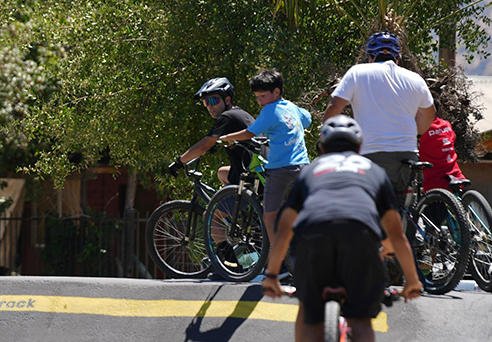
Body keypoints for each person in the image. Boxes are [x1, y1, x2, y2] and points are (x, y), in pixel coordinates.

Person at [262, 116, 423, 342]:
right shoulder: (374, 173)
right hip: (360, 239)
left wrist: (270, 275)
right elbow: (396, 233)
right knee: (361, 318)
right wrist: (413, 280)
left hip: (313, 240)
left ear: (321, 148)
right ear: (360, 147)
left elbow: (284, 228)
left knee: (310, 313)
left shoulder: (309, 172)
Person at [323, 31, 436, 193]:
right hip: (408, 155)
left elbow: (335, 107)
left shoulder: (357, 72)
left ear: (370, 57)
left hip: (370, 155)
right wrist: (417, 133)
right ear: (397, 59)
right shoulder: (416, 79)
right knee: (402, 206)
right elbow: (429, 114)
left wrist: (326, 138)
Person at [217, 69, 311, 241]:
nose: (259, 101)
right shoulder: (291, 107)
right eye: (257, 97)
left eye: (263, 96)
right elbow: (308, 119)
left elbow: (249, 133)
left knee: (269, 218)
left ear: (276, 92)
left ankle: (279, 266)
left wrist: (228, 137)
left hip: (280, 170)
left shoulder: (269, 111)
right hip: (303, 167)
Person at [169, 77, 256, 185]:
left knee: (223, 199)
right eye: (206, 102)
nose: (210, 107)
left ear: (227, 100)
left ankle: (232, 201)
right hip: (259, 173)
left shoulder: (227, 117)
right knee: (221, 173)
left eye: (213, 100)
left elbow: (203, 146)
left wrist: (179, 162)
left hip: (250, 177)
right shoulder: (241, 113)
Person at [418, 106, 467, 192]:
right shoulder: (446, 124)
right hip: (457, 176)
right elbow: (453, 137)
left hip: (435, 185)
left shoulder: (422, 130)